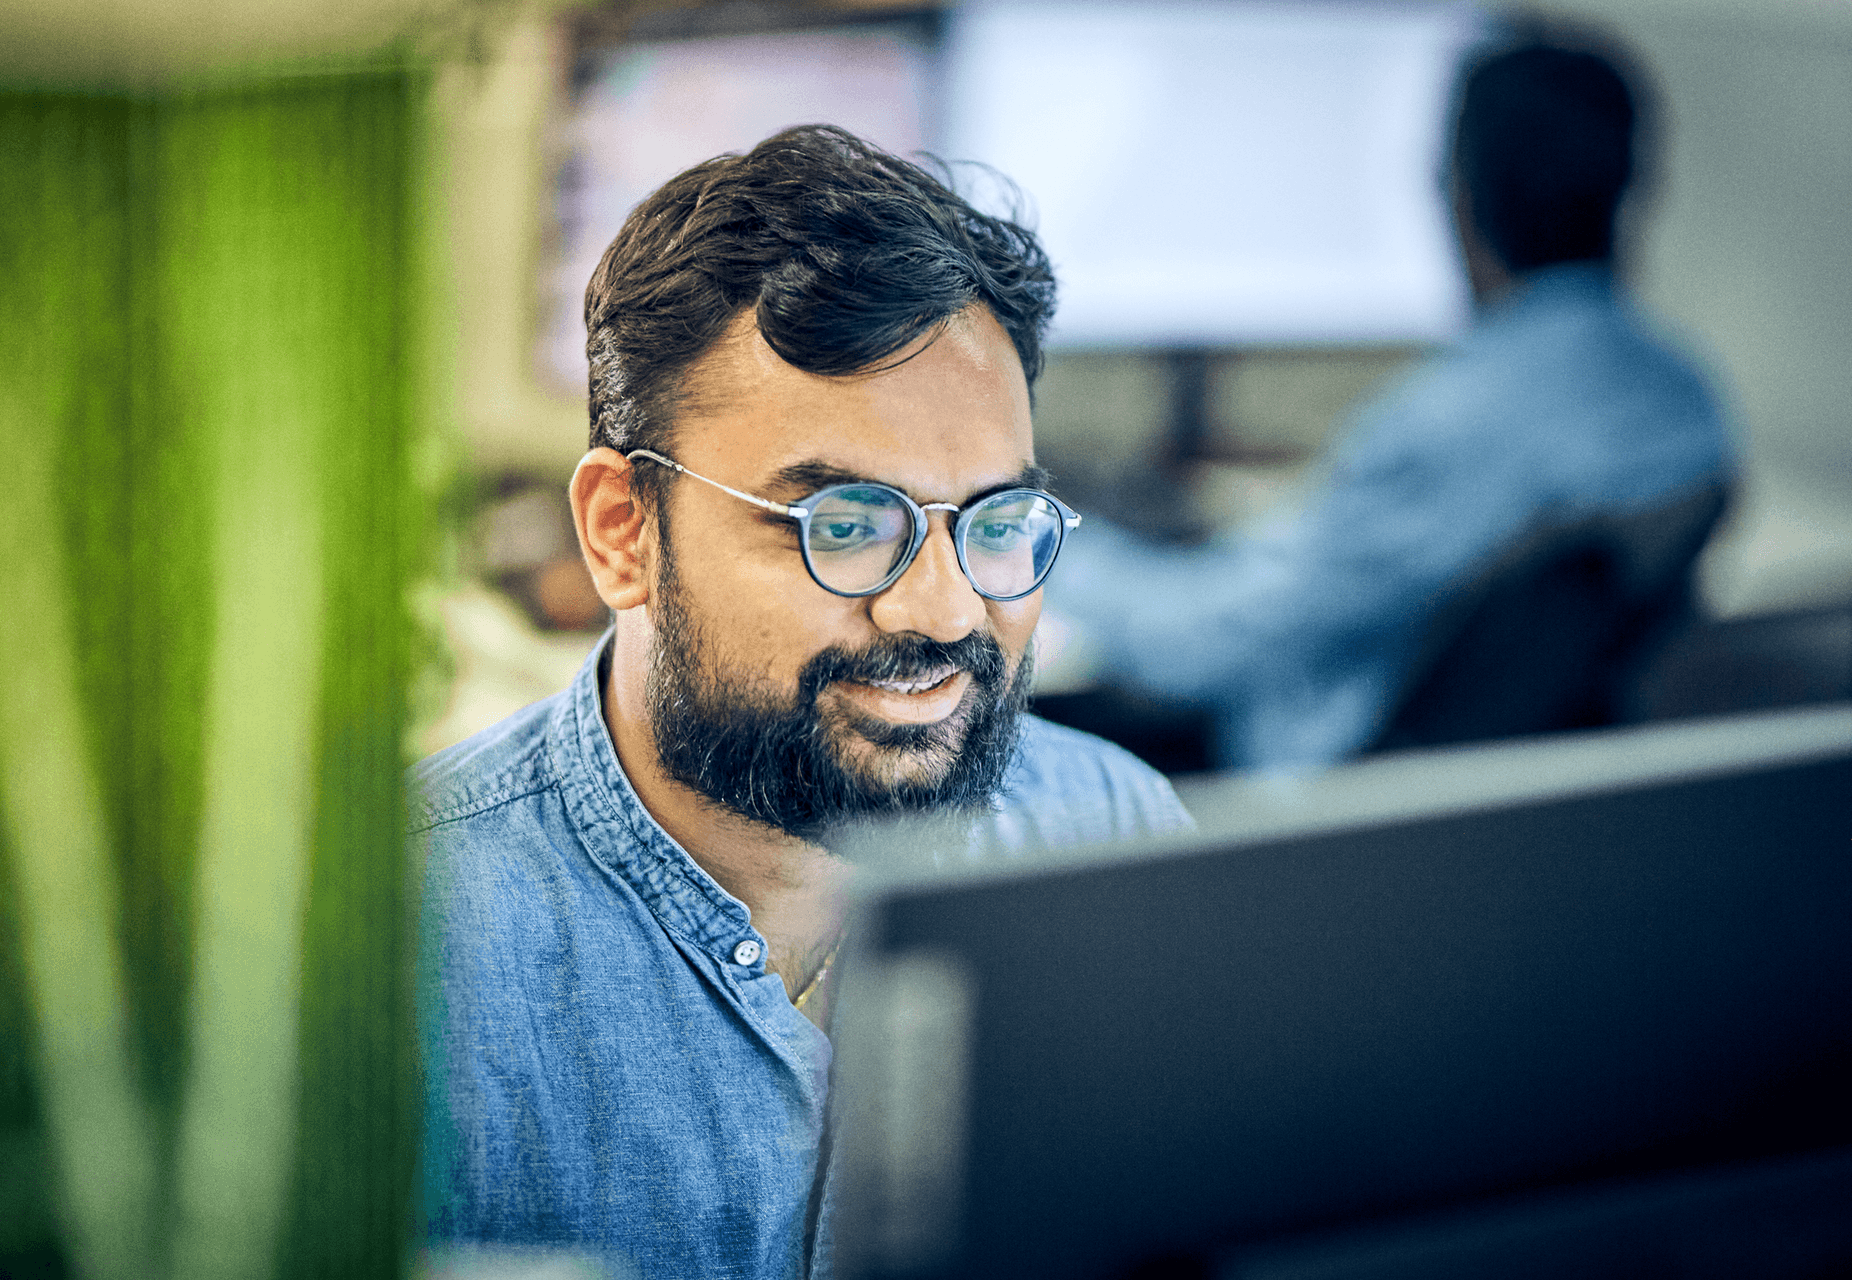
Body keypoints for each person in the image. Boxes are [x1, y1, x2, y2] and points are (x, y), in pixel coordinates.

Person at [411, 125, 1191, 1278]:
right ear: (623, 532)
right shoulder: (401, 949)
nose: (940, 611)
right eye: (845, 523)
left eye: (992, 522)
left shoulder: (1112, 837)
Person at [1046, 40, 1736, 770]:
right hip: (1522, 802)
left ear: (1458, 193)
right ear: (1632, 187)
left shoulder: (1450, 425)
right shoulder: (1685, 399)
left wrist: (1039, 542)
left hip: (1319, 814)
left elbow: (1197, 648)